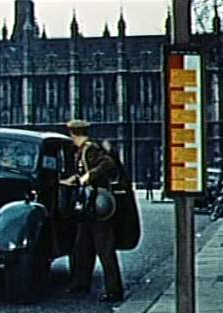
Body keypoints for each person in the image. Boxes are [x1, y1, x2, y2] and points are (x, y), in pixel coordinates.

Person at [60, 119, 125, 302]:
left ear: (74, 133)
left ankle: (114, 290)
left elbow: (107, 164)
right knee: (82, 247)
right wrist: (72, 180)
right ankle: (81, 282)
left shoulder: (91, 149)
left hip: (98, 206)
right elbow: (81, 173)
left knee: (104, 249)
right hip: (88, 207)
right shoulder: (81, 151)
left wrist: (88, 177)